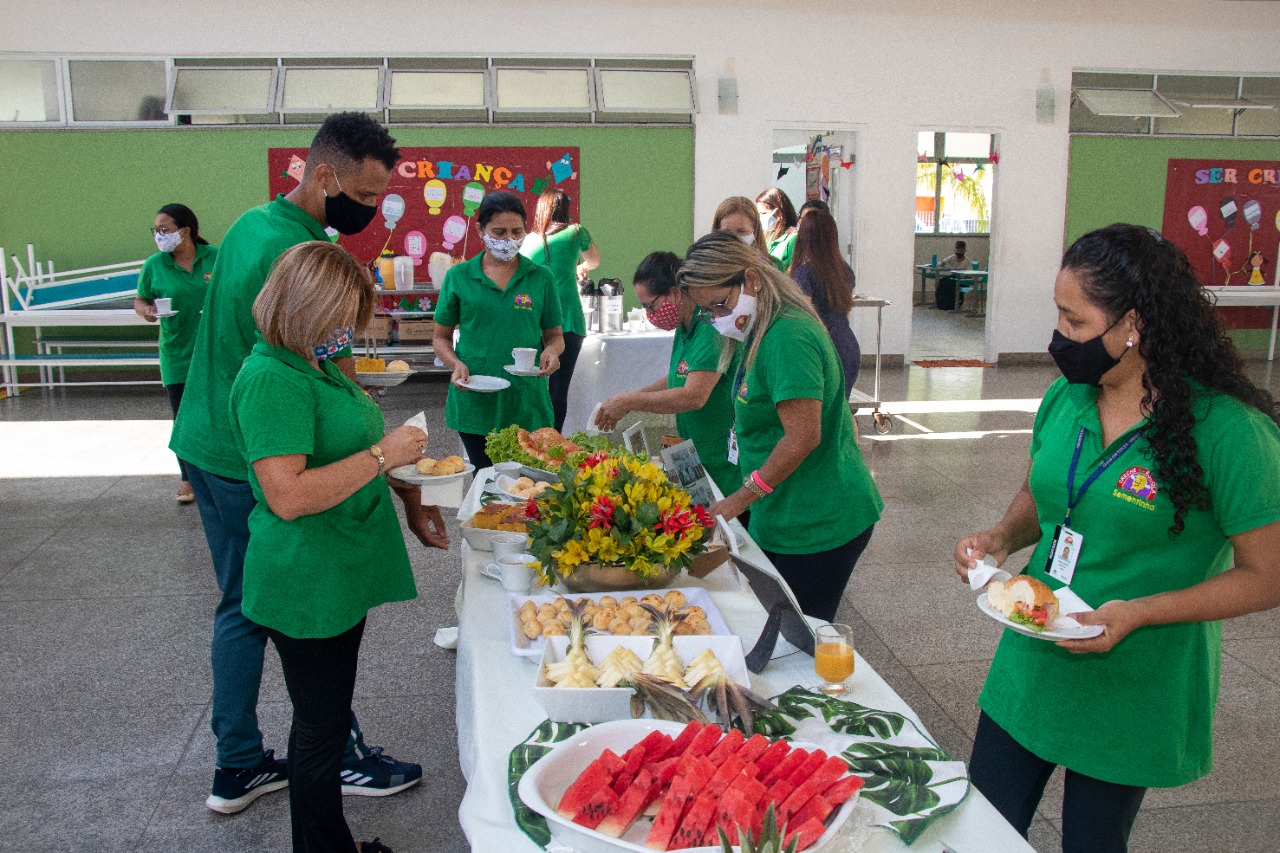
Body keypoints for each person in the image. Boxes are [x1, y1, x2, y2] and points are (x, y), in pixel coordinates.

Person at [954, 224, 1280, 853]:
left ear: (1133, 323)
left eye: (1074, 322)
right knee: (982, 832)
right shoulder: (1067, 396)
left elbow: (1268, 575)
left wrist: (1139, 612)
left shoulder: (1229, 433)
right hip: (1035, 656)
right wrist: (998, 538)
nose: (1058, 338)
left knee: (1093, 842)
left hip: (1136, 671)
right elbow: (1042, 495)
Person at [171, 112, 446, 815]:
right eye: (362, 192)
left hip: (215, 435)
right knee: (268, 608)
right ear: (323, 175)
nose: (367, 209)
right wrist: (386, 461)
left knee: (248, 607)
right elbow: (323, 390)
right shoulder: (291, 257)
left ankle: (275, 751)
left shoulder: (257, 225)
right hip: (250, 453)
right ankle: (290, 754)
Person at [230, 241, 424, 853]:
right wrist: (384, 453)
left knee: (328, 719)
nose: (349, 331)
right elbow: (286, 495)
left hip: (337, 567)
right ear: (308, 309)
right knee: (319, 730)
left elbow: (347, 449)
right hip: (306, 576)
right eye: (342, 317)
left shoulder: (311, 364)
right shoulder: (272, 379)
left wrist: (410, 497)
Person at [677, 231, 883, 621]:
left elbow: (803, 436)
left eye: (721, 305)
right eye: (708, 311)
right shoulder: (759, 329)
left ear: (751, 280)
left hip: (816, 519)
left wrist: (740, 499)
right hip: (782, 509)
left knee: (801, 633)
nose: (718, 319)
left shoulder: (788, 337)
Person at [433, 191, 565, 469]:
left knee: (529, 484)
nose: (508, 239)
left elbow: (555, 335)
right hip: (475, 399)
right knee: (485, 483)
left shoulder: (540, 278)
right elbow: (440, 337)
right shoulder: (459, 277)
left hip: (526, 400)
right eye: (499, 231)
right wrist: (454, 363)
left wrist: (552, 351)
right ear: (481, 230)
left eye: (517, 231)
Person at [594, 251, 741, 498]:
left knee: (723, 526)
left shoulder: (708, 328)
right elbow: (677, 378)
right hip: (693, 450)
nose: (649, 314)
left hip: (718, 455)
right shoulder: (684, 327)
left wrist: (630, 401)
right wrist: (628, 400)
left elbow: (693, 396)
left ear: (674, 293)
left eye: (649, 305)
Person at [135, 203, 216, 503]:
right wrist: (146, 311)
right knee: (184, 418)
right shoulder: (155, 265)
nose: (158, 235)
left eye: (164, 229)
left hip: (215, 351)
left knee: (221, 412)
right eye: (155, 230)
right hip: (178, 353)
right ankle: (188, 479)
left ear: (186, 231)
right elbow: (141, 299)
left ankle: (225, 472)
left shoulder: (215, 257)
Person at [519, 188, 600, 431]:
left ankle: (528, 439)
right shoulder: (576, 232)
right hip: (569, 321)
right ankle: (552, 441)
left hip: (533, 322)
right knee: (558, 389)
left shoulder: (529, 240)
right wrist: (580, 267)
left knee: (531, 387)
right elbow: (594, 260)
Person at [789, 210, 860, 401]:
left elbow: (806, 318)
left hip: (822, 347)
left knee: (823, 413)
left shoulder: (803, 274)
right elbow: (847, 313)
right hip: (848, 344)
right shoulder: (845, 271)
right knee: (841, 411)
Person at [755, 187, 799, 272]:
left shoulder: (792, 239)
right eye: (758, 214)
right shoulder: (766, 237)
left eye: (763, 213)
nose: (760, 218)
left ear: (779, 214)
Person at [936, 239, 973, 310]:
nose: (959, 252)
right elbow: (942, 263)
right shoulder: (952, 257)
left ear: (964, 251)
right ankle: (942, 304)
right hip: (954, 278)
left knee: (949, 284)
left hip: (963, 280)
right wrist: (939, 263)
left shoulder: (967, 261)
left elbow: (970, 273)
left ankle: (954, 304)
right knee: (942, 282)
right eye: (957, 250)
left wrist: (964, 274)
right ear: (954, 250)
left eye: (961, 250)